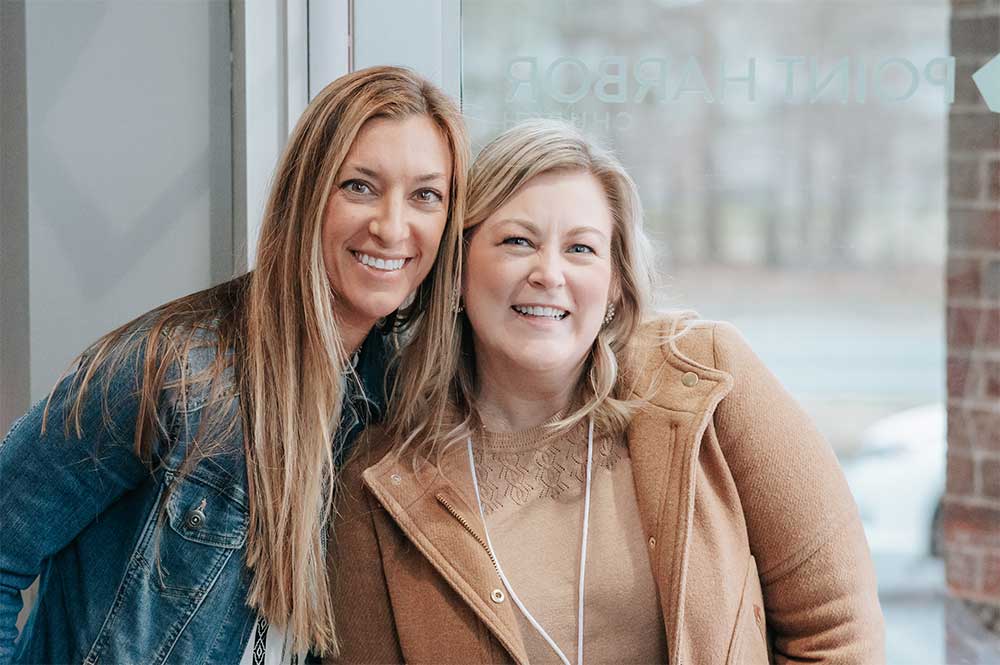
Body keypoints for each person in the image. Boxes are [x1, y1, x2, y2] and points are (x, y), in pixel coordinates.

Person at [327, 119, 885, 664]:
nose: (549, 273)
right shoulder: (378, 472)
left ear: (616, 279)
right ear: (458, 268)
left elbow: (839, 631)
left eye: (581, 249)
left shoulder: (711, 379)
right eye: (517, 241)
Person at [0, 65, 468, 665]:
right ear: (308, 194)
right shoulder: (171, 371)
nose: (391, 226)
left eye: (425, 195)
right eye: (359, 186)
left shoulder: (392, 404)